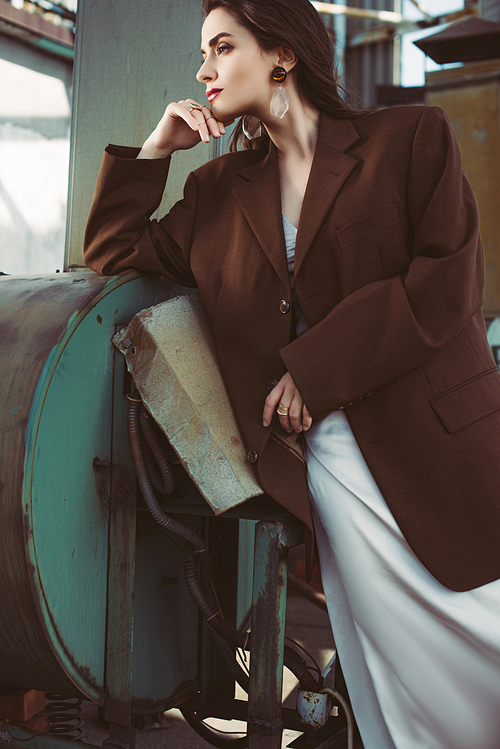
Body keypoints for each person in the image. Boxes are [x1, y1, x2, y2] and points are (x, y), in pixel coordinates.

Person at [84, 0, 500, 746]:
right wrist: (157, 149)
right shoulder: (217, 195)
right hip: (331, 468)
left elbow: (446, 286)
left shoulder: (409, 140)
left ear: (281, 53)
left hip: (439, 444)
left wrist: (315, 369)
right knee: (401, 678)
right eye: (200, 55)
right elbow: (113, 252)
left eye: (221, 47)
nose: (204, 70)